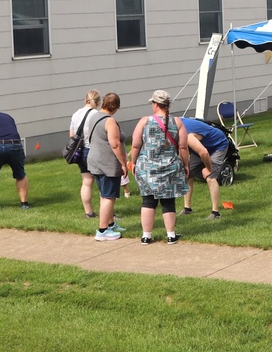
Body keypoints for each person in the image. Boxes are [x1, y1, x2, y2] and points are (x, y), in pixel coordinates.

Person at [130, 90, 190, 245]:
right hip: (170, 167)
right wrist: (185, 164)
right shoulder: (177, 122)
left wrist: (134, 162)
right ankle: (171, 235)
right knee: (168, 201)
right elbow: (183, 147)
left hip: (147, 168)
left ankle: (146, 236)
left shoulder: (144, 121)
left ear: (155, 104)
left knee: (148, 201)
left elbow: (136, 144)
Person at [86, 93, 129, 241]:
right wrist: (124, 163)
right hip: (107, 164)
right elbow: (115, 144)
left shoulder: (94, 116)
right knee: (108, 197)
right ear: (116, 107)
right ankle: (102, 230)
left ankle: (110, 225)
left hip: (95, 161)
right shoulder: (109, 121)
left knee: (104, 195)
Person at [179, 117, 231, 220]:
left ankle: (215, 213)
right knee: (187, 174)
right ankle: (187, 209)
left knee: (210, 178)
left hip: (218, 146)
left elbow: (204, 152)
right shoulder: (176, 126)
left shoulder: (188, 135)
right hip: (200, 147)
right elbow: (182, 149)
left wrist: (208, 168)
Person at [70, 89, 101, 219]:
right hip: (93, 150)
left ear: (85, 100)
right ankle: (108, 212)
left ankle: (88, 212)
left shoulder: (76, 114)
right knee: (102, 182)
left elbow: (71, 135)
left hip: (80, 150)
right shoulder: (96, 114)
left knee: (87, 181)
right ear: (98, 102)